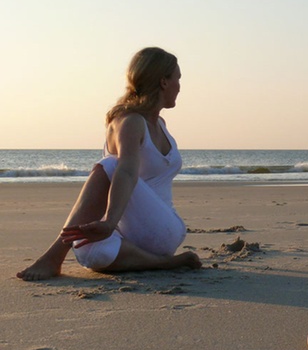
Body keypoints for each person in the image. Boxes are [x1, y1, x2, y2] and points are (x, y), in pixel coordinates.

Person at [16, 47, 201, 280]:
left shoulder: (159, 124)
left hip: (161, 230)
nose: (179, 86)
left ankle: (54, 255)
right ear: (164, 82)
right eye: (178, 79)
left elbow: (124, 172)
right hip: (127, 232)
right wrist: (109, 224)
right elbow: (126, 172)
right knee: (91, 253)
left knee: (110, 164)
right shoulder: (131, 121)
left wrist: (109, 222)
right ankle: (164, 263)